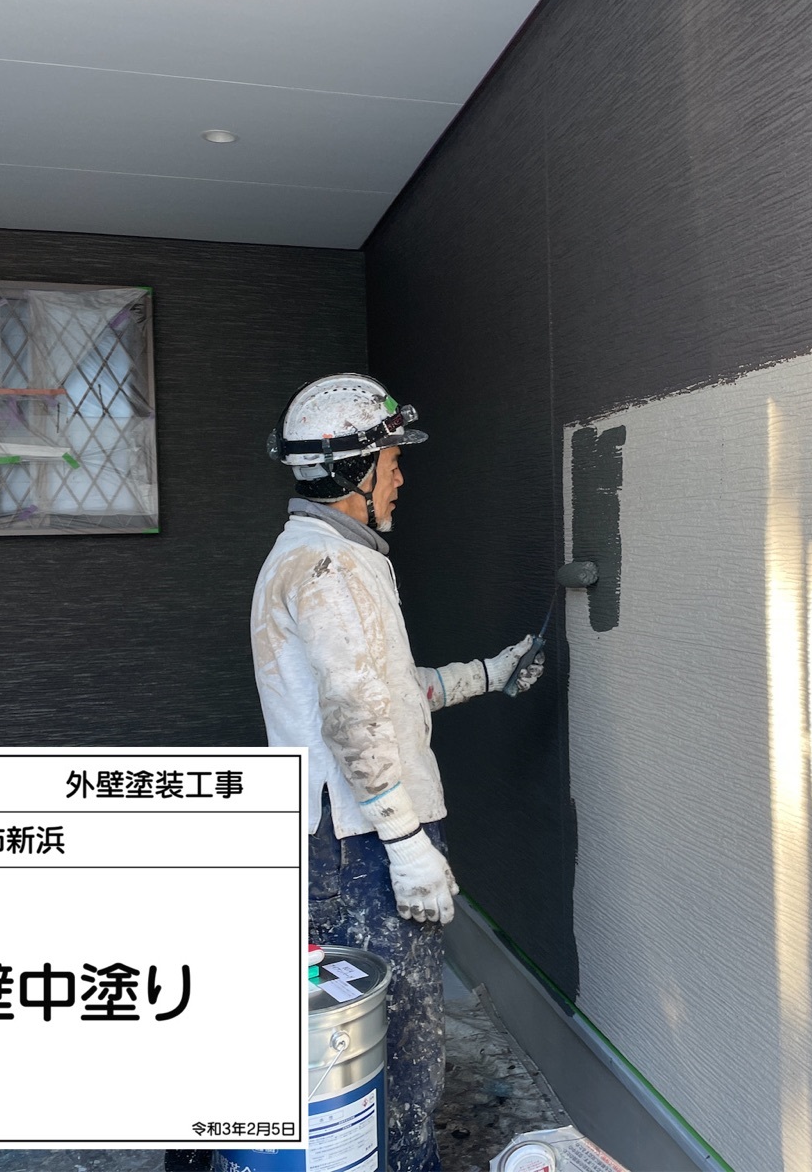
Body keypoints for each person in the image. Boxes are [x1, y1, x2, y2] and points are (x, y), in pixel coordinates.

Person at [250, 374, 542, 1172]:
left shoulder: (328, 557)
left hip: (349, 833)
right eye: (390, 461)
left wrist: (487, 674)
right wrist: (408, 845)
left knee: (361, 1041)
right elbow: (354, 715)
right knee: (400, 1050)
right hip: (363, 843)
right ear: (352, 470)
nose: (401, 476)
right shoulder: (330, 571)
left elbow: (385, 690)